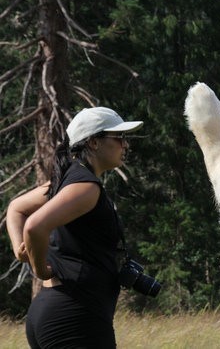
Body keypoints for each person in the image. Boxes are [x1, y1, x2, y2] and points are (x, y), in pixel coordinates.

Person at [7, 107, 143, 348]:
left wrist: (20, 251)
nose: (126, 145)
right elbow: (35, 227)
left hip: (52, 311)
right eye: (119, 137)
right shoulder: (85, 187)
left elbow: (17, 208)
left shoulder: (67, 181)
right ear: (93, 142)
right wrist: (40, 269)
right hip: (75, 317)